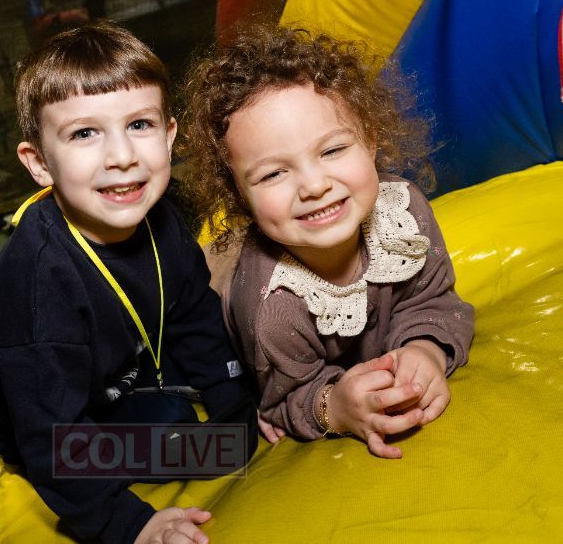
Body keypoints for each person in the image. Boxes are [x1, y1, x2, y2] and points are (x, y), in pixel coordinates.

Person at [0, 21, 257, 544]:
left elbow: (193, 313)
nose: (122, 156)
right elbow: (50, 435)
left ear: (169, 137)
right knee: (202, 449)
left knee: (238, 437)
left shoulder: (161, 216)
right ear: (39, 163)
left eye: (139, 124)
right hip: (41, 412)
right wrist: (130, 525)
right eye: (84, 133)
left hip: (121, 365)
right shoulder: (37, 283)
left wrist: (236, 405)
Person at [182, 25, 474, 460]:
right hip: (216, 294)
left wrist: (425, 348)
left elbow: (433, 301)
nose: (315, 185)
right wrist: (332, 406)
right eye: (273, 174)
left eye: (332, 150)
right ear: (238, 196)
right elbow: (283, 398)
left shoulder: (404, 217)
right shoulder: (274, 308)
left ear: (370, 140)